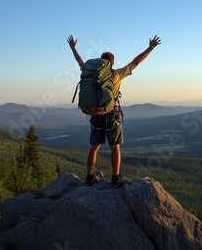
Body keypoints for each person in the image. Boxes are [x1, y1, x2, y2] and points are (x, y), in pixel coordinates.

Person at [67, 34, 161, 188]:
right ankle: (115, 179)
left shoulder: (91, 74)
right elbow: (135, 62)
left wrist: (73, 48)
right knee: (115, 147)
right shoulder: (116, 75)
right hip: (111, 115)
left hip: (95, 114)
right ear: (111, 63)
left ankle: (89, 177)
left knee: (94, 147)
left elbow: (80, 62)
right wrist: (151, 47)